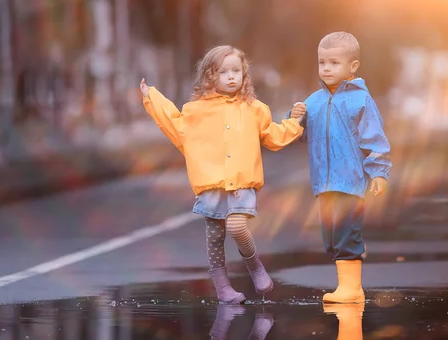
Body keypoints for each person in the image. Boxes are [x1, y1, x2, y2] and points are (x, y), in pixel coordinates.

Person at [140, 45, 304, 304]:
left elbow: (273, 136)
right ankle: (223, 288)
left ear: (244, 74)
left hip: (242, 183)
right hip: (211, 185)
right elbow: (174, 124)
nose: (231, 77)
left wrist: (294, 123)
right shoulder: (196, 110)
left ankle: (255, 266)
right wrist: (152, 97)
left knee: (237, 227)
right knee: (215, 238)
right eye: (223, 71)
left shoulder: (255, 108)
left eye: (236, 71)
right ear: (210, 76)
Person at [289, 31, 392, 303]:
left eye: (334, 63)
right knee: (332, 237)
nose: (326, 68)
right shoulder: (313, 101)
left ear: (352, 67)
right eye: (322, 62)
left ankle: (351, 288)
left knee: (346, 235)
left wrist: (379, 172)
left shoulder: (360, 100)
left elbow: (375, 138)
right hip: (323, 182)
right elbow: (299, 136)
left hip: (351, 179)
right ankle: (350, 271)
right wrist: (294, 119)